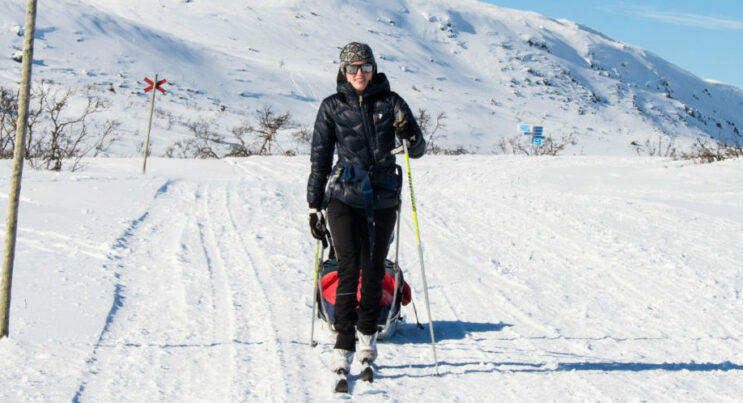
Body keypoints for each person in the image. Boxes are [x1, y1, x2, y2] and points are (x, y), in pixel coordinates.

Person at [306, 42, 425, 378]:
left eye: (366, 67)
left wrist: (410, 136)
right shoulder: (331, 106)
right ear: (343, 71)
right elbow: (319, 158)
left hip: (383, 197)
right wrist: (314, 206)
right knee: (348, 266)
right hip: (343, 197)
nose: (360, 74)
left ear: (374, 68)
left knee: (373, 269)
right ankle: (343, 343)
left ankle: (367, 337)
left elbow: (417, 150)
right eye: (353, 68)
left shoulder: (392, 102)